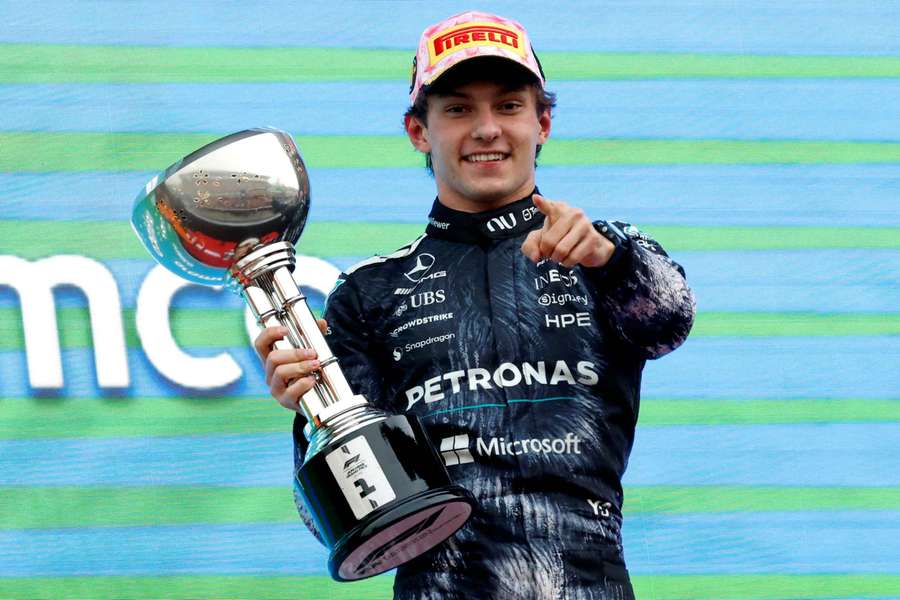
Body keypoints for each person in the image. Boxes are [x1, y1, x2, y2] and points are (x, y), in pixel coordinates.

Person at [255, 11, 695, 600]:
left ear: (542, 123)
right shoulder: (369, 292)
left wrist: (609, 258)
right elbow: (346, 522)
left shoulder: (602, 252)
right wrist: (312, 413)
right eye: (459, 109)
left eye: (508, 106)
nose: (487, 129)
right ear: (418, 130)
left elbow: (670, 322)